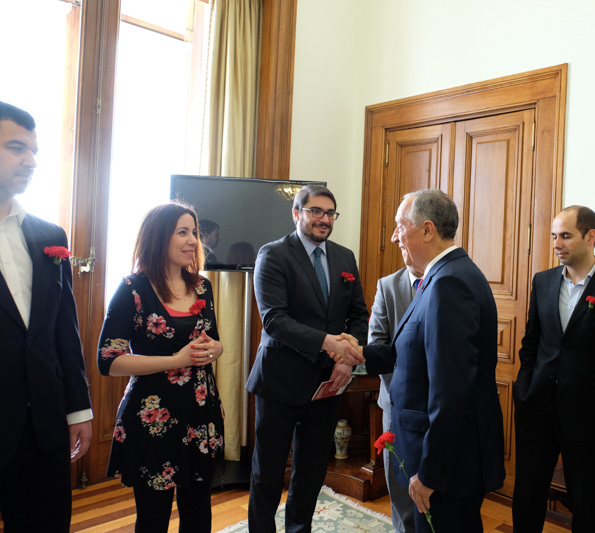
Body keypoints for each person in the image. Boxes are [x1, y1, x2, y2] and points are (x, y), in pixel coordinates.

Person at [337, 189, 505, 533]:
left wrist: (430, 472)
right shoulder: (444, 275)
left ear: (428, 230)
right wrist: (360, 351)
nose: (395, 236)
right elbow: (415, 352)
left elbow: (450, 390)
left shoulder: (449, 283)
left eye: (402, 226)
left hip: (447, 462)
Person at [245, 184, 368, 532]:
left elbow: (359, 315)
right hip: (279, 382)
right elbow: (274, 320)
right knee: (268, 474)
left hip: (327, 383)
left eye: (330, 213)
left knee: (311, 472)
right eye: (316, 211)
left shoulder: (345, 257)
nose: (324, 219)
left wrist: (345, 359)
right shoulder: (273, 254)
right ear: (297, 213)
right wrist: (328, 342)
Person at [512, 206, 595, 532]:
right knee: (527, 493)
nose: (557, 243)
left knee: (587, 502)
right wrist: (524, 387)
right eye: (554, 236)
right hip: (537, 407)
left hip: (588, 416)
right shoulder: (543, 281)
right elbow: (532, 342)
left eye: (566, 236)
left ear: (590, 236)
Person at [97, 202, 225, 533]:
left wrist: (217, 348)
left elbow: (212, 340)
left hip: (201, 413)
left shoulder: (203, 286)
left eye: (194, 232)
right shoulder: (132, 289)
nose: (193, 240)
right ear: (158, 237)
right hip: (153, 419)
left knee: (199, 515)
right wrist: (175, 361)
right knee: (153, 518)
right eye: (182, 232)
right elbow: (108, 360)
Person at [0, 101, 93, 531]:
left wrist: (78, 410)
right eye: (16, 148)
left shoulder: (49, 236)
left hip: (43, 428)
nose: (32, 161)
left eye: (34, 151)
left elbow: (63, 332)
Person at [369, 264, 423, 533]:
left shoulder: (445, 282)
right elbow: (377, 344)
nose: (399, 244)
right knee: (399, 481)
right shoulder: (387, 285)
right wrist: (402, 392)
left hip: (435, 404)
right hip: (395, 402)